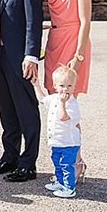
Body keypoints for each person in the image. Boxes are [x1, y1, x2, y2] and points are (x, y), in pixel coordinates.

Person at [0, 0, 44, 183]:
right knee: (6, 108)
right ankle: (9, 155)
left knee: (26, 108)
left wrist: (31, 55)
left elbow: (34, 22)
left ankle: (28, 162)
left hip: (20, 56)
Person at [43, 0, 93, 178]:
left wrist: (79, 55)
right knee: (55, 104)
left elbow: (85, 22)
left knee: (70, 105)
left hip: (74, 44)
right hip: (54, 44)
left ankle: (77, 161)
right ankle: (64, 163)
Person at [42, 66, 83, 198]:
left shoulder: (71, 104)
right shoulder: (54, 98)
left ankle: (69, 188)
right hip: (57, 141)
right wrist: (35, 84)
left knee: (66, 165)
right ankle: (60, 182)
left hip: (69, 143)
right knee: (57, 162)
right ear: (55, 86)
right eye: (62, 85)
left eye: (69, 86)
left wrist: (62, 103)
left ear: (74, 87)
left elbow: (63, 117)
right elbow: (42, 100)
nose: (65, 89)